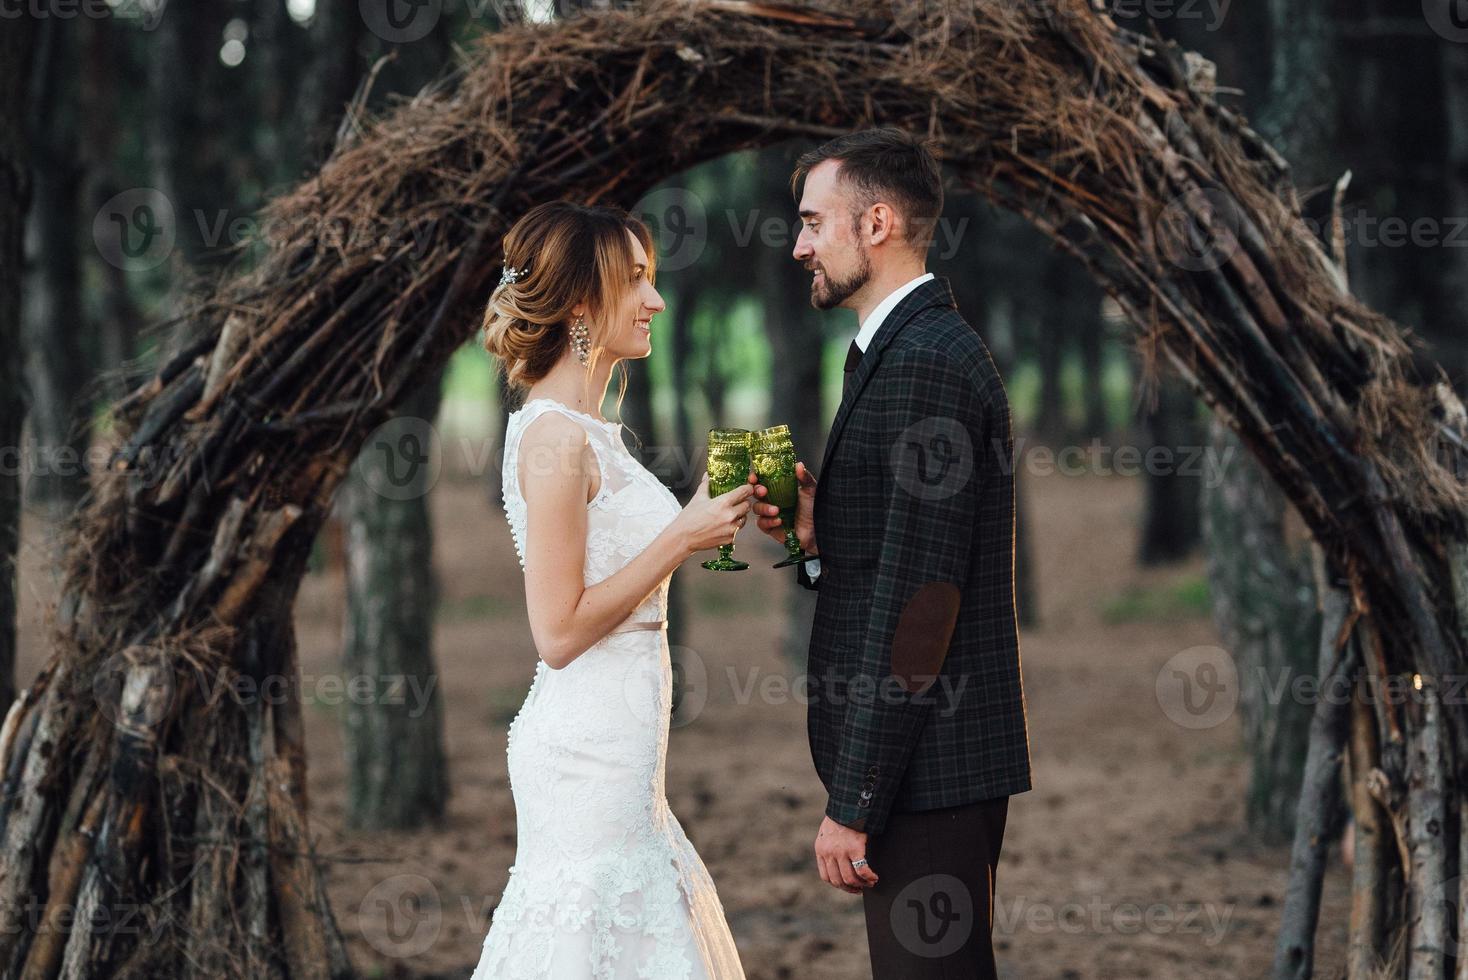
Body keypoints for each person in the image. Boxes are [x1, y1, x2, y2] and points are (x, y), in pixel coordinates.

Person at [749, 128, 1033, 979]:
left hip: (932, 770)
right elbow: (899, 561)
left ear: (875, 223)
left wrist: (855, 803)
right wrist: (813, 541)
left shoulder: (925, 365)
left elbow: (924, 603)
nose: (798, 245)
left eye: (811, 223)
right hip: (923, 764)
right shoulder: (893, 353)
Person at [472, 200, 751, 979]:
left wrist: (717, 512)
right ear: (583, 304)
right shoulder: (555, 437)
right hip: (584, 750)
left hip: (624, 748)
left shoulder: (593, 429)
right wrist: (680, 536)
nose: (656, 300)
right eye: (637, 280)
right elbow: (555, 633)